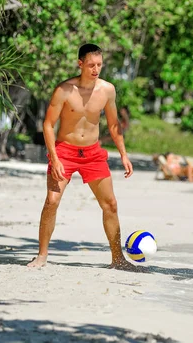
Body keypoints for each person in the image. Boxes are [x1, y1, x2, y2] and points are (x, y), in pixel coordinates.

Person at [27, 44, 139, 271]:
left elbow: (114, 125)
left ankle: (118, 259)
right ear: (80, 64)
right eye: (91, 65)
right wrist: (55, 158)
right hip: (65, 152)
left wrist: (124, 155)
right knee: (52, 201)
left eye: (99, 64)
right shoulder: (64, 90)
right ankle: (41, 255)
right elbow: (48, 124)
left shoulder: (107, 90)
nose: (96, 69)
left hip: (92, 153)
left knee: (111, 204)